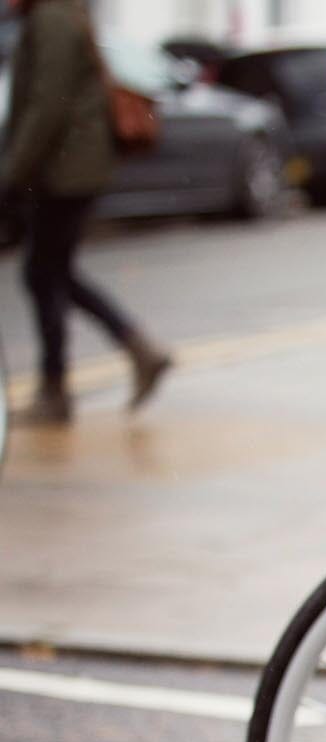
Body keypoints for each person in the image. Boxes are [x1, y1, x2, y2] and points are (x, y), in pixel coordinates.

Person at [2, 0, 171, 426]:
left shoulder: (53, 18)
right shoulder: (61, 13)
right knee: (50, 271)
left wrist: (10, 175)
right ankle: (137, 350)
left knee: (44, 273)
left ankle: (56, 390)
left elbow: (46, 105)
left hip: (66, 170)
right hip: (70, 167)